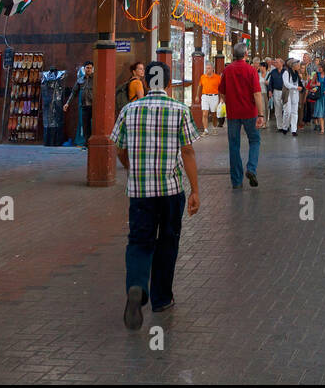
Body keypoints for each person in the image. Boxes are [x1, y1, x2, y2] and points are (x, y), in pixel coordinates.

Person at [111, 61, 200, 329]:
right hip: (171, 190)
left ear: (146, 82)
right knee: (167, 242)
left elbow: (119, 149)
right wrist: (195, 190)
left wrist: (132, 168)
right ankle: (162, 298)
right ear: (169, 83)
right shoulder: (180, 110)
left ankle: (137, 286)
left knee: (139, 241)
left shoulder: (129, 110)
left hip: (140, 191)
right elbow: (187, 152)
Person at [219, 42, 266, 189]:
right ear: (246, 54)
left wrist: (229, 103)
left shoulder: (227, 70)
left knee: (234, 146)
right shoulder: (251, 70)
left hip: (233, 114)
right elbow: (257, 94)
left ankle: (237, 181)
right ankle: (251, 168)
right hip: (250, 113)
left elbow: (222, 92)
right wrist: (261, 114)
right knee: (255, 140)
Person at [62, 60, 94, 145]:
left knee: (94, 126)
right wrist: (67, 103)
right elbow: (73, 92)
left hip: (94, 107)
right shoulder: (80, 80)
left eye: (90, 68)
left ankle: (94, 144)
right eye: (87, 68)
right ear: (84, 69)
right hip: (84, 107)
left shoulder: (96, 79)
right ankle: (87, 144)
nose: (89, 70)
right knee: (85, 126)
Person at [279, 58, 302, 136]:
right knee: (287, 112)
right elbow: (286, 84)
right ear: (293, 65)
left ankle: (294, 130)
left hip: (295, 94)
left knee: (294, 112)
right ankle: (285, 127)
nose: (299, 66)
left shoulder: (296, 73)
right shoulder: (286, 72)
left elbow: (299, 83)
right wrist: (296, 87)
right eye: (298, 64)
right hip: (288, 94)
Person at [199, 61, 222, 134]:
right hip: (205, 96)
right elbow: (199, 86)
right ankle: (205, 130)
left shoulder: (218, 77)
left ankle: (214, 128)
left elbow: (221, 89)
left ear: (212, 69)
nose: (207, 70)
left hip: (214, 97)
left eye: (208, 68)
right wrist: (197, 96)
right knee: (204, 114)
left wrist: (221, 98)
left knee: (214, 115)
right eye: (206, 68)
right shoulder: (202, 77)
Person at [266, 59, 284, 131]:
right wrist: (270, 90)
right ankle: (279, 126)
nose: (275, 63)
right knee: (278, 109)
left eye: (277, 62)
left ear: (281, 63)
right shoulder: (273, 72)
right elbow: (271, 82)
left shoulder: (286, 71)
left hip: (284, 91)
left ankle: (286, 125)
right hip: (276, 91)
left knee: (286, 109)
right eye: (275, 62)